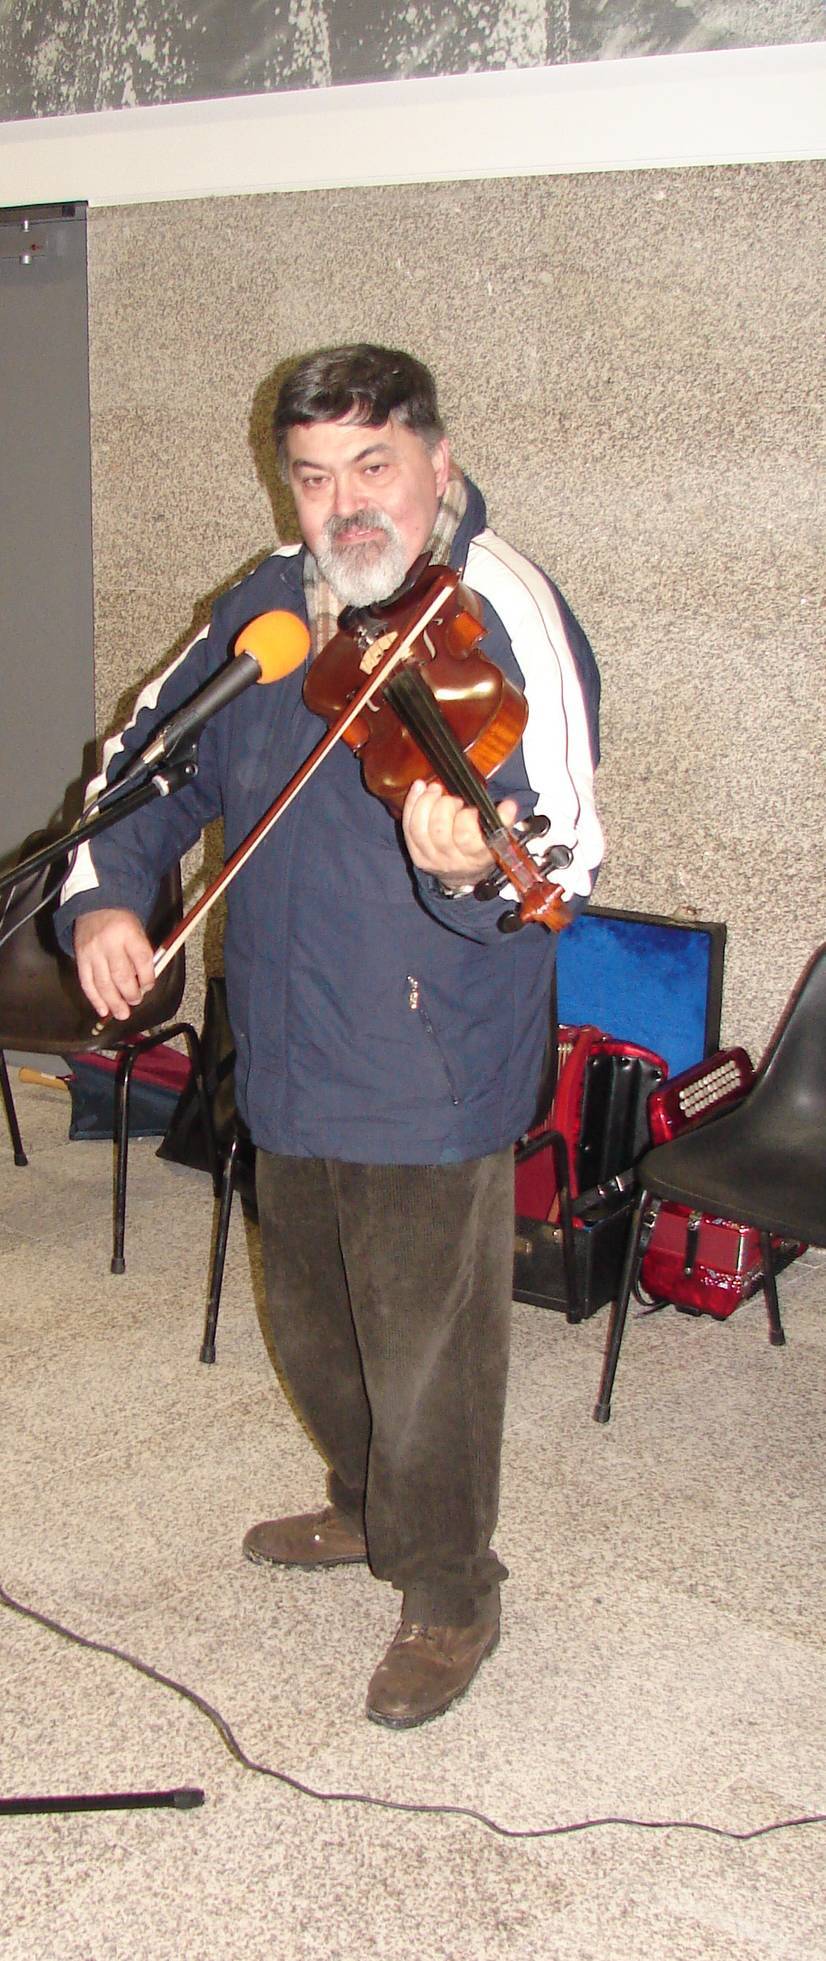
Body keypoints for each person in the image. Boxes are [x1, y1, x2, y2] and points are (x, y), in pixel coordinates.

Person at [56, 344, 604, 1728]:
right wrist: (113, 900)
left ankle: (447, 1586)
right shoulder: (269, 606)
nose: (345, 504)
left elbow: (565, 856)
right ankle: (366, 1506)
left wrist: (468, 868)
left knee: (425, 1344)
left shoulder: (502, 611)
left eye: (373, 467)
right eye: (313, 476)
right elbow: (147, 760)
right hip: (285, 1037)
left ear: (434, 460)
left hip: (429, 1049)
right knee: (309, 1315)